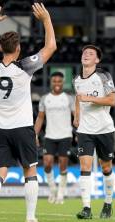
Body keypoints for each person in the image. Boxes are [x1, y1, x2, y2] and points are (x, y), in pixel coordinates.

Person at [0, 3, 56, 222]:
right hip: (22, 127)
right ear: (18, 49)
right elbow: (50, 47)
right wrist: (47, 19)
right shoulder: (25, 67)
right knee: (30, 171)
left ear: (0, 48)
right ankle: (30, 218)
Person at [72, 45, 115, 219]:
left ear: (97, 60)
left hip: (104, 128)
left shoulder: (103, 76)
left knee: (106, 168)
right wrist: (77, 115)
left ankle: (108, 203)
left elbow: (113, 100)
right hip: (85, 130)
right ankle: (86, 208)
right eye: (84, 53)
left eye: (91, 54)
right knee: (85, 167)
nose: (86, 55)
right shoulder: (77, 79)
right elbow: (78, 96)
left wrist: (90, 98)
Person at [34, 72, 75, 204]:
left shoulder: (69, 98)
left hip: (65, 135)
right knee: (47, 163)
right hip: (50, 135)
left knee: (63, 164)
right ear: (51, 82)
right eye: (54, 81)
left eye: (59, 81)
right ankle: (53, 190)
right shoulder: (45, 98)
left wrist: (80, 132)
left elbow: (76, 116)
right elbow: (40, 117)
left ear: (63, 83)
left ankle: (61, 194)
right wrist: (35, 134)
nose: (57, 84)